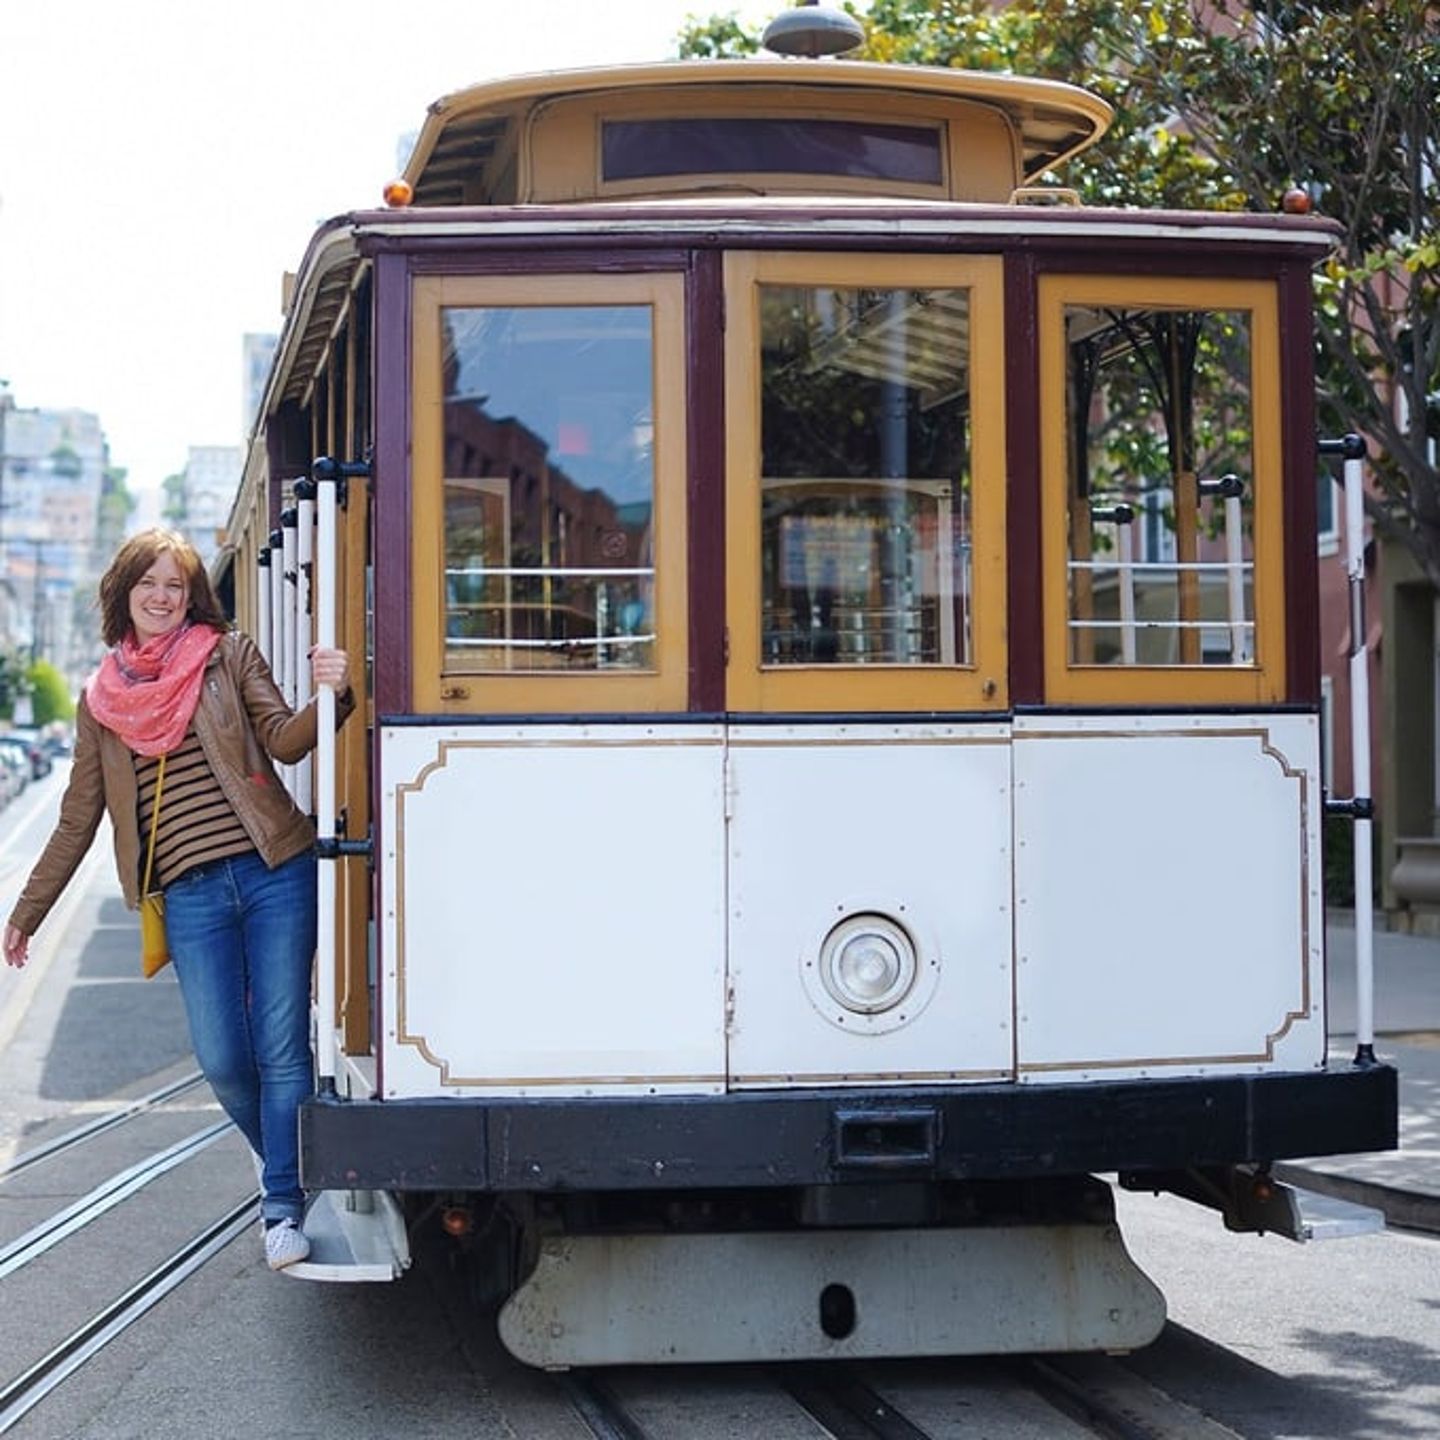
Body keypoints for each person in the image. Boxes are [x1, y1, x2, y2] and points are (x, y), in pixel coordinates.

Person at [2, 527, 353, 1271]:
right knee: (225, 1058)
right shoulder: (101, 704)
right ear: (123, 594)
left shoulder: (228, 656)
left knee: (281, 1048)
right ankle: (283, 1158)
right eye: (148, 584)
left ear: (192, 597)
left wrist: (335, 693)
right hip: (189, 895)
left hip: (273, 870)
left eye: (176, 585)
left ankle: (283, 1204)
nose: (162, 597)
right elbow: (76, 819)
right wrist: (26, 913)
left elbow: (287, 743)